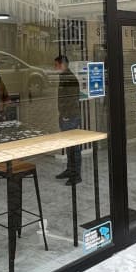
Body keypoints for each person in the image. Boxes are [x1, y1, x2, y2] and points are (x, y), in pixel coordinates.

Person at [53, 54, 82, 185]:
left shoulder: (69, 78)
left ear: (62, 64)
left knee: (74, 147)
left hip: (70, 117)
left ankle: (76, 175)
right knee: (69, 147)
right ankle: (70, 170)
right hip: (66, 117)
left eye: (56, 65)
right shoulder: (64, 77)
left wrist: (66, 115)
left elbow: (72, 99)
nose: (55, 67)